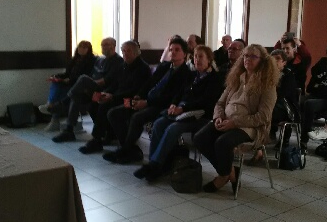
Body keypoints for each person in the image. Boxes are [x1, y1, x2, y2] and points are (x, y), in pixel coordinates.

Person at [194, 44, 278, 193]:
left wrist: (235, 123)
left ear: (262, 61)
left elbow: (263, 117)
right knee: (200, 138)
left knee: (222, 142)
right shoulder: (237, 78)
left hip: (250, 127)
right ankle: (230, 173)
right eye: (245, 55)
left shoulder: (267, 85)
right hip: (226, 120)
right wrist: (218, 117)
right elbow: (220, 103)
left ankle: (222, 177)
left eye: (253, 56)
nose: (248, 59)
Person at [133, 45, 222, 181]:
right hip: (182, 112)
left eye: (201, 57)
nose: (197, 60)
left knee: (173, 129)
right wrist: (174, 104)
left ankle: (154, 165)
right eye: (195, 56)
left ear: (209, 59)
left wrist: (183, 108)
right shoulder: (192, 75)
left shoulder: (215, 78)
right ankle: (155, 163)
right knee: (158, 124)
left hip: (200, 116)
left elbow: (206, 101)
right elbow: (179, 93)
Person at [103, 37, 191, 164]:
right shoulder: (164, 66)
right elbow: (149, 83)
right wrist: (139, 96)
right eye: (171, 50)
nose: (173, 52)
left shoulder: (186, 73)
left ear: (185, 53)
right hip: (145, 100)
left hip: (160, 106)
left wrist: (146, 103)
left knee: (137, 117)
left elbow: (171, 97)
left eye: (177, 50)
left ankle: (126, 150)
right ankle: (130, 149)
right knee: (113, 113)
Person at [74, 40, 152, 153]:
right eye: (123, 51)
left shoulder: (143, 68)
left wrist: (112, 96)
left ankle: (98, 140)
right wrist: (105, 93)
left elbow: (135, 91)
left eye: (128, 51)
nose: (125, 54)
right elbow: (115, 84)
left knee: (106, 107)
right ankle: (109, 133)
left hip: (132, 100)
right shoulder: (123, 65)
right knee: (93, 104)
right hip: (118, 97)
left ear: (136, 52)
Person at [50, 37, 124, 142]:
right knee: (76, 96)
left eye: (106, 45)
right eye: (102, 45)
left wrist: (87, 85)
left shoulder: (118, 61)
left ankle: (63, 103)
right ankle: (68, 131)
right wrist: (85, 87)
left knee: (83, 78)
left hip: (105, 91)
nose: (103, 47)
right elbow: (91, 75)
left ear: (113, 46)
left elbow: (105, 81)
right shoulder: (101, 60)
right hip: (93, 89)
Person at [248, 49, 299, 164]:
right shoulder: (264, 74)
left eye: (278, 59)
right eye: (272, 59)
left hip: (285, 108)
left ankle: (260, 148)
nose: (274, 61)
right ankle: (258, 145)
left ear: (284, 63)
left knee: (264, 115)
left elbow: (282, 94)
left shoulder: (288, 75)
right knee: (256, 112)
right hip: (269, 106)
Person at [38, 40, 96, 131]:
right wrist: (57, 76)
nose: (81, 49)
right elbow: (67, 73)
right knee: (56, 83)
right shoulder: (75, 59)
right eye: (80, 47)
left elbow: (85, 76)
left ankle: (52, 111)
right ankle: (50, 105)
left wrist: (70, 80)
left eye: (84, 47)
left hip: (79, 86)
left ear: (89, 49)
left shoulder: (91, 61)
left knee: (60, 94)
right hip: (69, 82)